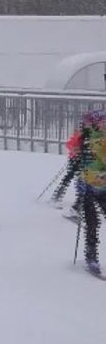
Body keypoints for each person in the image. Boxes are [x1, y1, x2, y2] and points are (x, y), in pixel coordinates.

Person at [65, 109, 106, 276]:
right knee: (92, 223)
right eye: (102, 123)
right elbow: (74, 155)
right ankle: (91, 258)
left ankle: (91, 258)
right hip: (88, 187)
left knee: (92, 223)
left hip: (102, 187)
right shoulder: (89, 140)